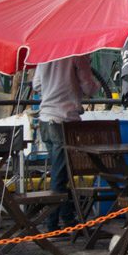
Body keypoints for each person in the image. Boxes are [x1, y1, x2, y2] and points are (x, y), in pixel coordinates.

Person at [32, 55, 100, 233]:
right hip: (64, 120)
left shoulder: (45, 53)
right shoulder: (77, 55)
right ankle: (54, 224)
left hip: (45, 119)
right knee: (60, 175)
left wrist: (52, 89)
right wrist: (93, 85)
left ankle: (66, 218)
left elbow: (36, 85)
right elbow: (89, 87)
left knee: (59, 172)